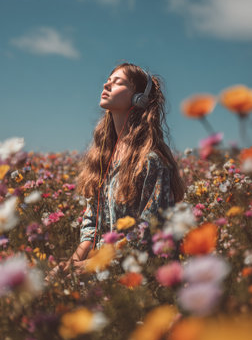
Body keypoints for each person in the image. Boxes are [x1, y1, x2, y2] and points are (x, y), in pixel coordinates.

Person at [46, 62, 184, 279]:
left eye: (117, 82)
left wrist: (84, 269)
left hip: (137, 280)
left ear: (139, 98)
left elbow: (147, 235)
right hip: (101, 271)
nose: (106, 85)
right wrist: (67, 268)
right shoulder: (101, 158)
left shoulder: (151, 161)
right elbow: (90, 230)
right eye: (107, 81)